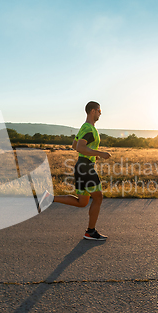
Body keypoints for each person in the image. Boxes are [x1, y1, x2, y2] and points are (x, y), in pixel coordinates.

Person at [40, 101, 111, 240]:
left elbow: (74, 145)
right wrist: (100, 153)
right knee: (98, 197)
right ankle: (90, 232)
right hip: (85, 168)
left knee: (82, 202)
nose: (100, 113)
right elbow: (79, 147)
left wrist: (89, 152)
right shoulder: (89, 129)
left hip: (81, 166)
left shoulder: (85, 128)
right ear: (93, 111)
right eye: (99, 111)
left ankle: (49, 198)